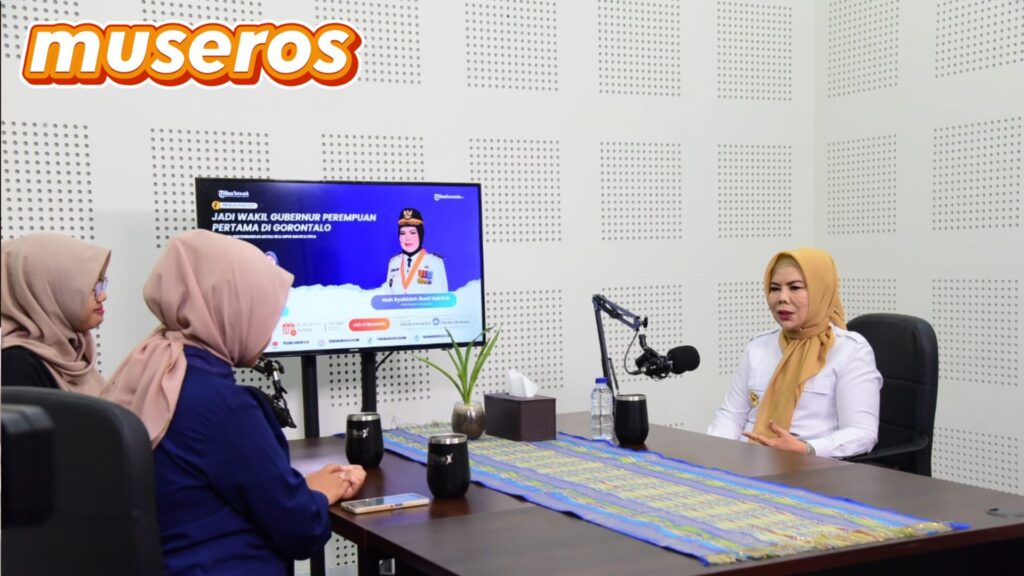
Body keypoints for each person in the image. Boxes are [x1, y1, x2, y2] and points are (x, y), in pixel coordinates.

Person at [102, 229, 366, 576]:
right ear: (232, 310)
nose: (270, 329)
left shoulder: (146, 369)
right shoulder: (224, 408)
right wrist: (319, 494)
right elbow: (302, 530)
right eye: (263, 311)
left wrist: (301, 491)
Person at [707, 248, 882, 458]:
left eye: (795, 287)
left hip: (809, 466)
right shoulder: (759, 346)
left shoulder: (850, 350)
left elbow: (862, 433)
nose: (782, 298)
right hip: (748, 462)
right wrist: (715, 453)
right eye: (774, 288)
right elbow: (731, 415)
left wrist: (806, 449)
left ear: (821, 291)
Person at [1, 233, 110, 393]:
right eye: (92, 287)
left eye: (102, 284)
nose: (102, 296)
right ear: (44, 293)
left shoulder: (76, 354)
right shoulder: (16, 365)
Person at [382, 207, 448, 294]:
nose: (407, 238)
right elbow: (388, 296)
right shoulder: (393, 263)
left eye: (412, 232)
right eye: (403, 233)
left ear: (420, 235)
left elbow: (442, 299)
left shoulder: (435, 263)